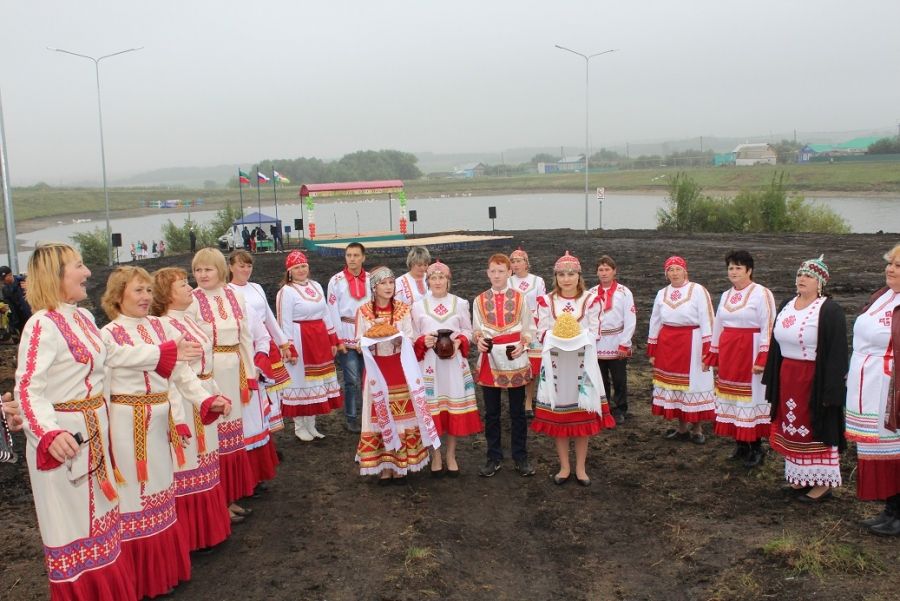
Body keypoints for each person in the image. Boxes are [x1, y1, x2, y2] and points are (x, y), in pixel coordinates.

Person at [13, 243, 137, 601]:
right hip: (66, 442)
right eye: (80, 266)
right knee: (74, 531)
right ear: (57, 275)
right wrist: (49, 433)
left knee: (102, 523)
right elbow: (27, 389)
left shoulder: (82, 317)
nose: (88, 273)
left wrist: (164, 350)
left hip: (95, 434)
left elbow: (112, 355)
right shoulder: (41, 325)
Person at [100, 266, 230, 599]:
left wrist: (206, 399)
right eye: (137, 291)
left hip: (158, 422)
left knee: (161, 491)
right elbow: (104, 385)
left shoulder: (159, 326)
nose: (145, 297)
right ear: (118, 296)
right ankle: (142, 581)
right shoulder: (108, 335)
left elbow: (182, 375)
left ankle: (165, 573)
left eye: (147, 290)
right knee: (134, 499)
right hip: (126, 425)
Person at [151, 267, 235, 548]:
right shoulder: (165, 325)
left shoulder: (187, 320)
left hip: (202, 391)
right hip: (187, 402)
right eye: (183, 285)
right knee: (190, 463)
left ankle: (214, 522)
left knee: (207, 459)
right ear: (166, 295)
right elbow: (172, 375)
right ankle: (196, 536)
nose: (190, 289)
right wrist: (177, 418)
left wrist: (215, 393)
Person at [762, 256, 847, 503]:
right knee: (792, 426)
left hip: (812, 379)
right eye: (799, 274)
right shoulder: (788, 303)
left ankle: (821, 485)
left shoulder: (829, 309)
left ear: (820, 282)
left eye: (808, 276)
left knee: (813, 427)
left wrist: (831, 390)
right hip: (787, 376)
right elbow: (775, 344)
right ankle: (800, 477)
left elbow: (837, 352)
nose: (801, 279)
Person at [189, 248, 257, 521]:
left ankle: (230, 496)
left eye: (208, 269)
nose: (202, 275)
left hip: (233, 369)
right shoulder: (192, 300)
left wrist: (249, 374)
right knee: (214, 440)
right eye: (198, 270)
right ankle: (219, 504)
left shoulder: (234, 295)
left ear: (221, 270)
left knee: (232, 441)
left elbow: (245, 337)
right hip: (208, 374)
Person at [532, 251, 612, 486]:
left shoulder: (591, 300)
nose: (566, 279)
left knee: (582, 416)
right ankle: (564, 466)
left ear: (579, 275)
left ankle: (581, 467)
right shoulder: (546, 301)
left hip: (581, 362)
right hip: (557, 363)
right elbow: (541, 331)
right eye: (561, 274)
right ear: (555, 277)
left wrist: (573, 335)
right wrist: (558, 335)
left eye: (571, 274)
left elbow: (596, 331)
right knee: (560, 418)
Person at [354, 266, 440, 483]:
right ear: (374, 287)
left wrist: (396, 338)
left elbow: (410, 338)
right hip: (376, 368)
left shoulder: (403, 309)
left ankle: (400, 464)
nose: (388, 287)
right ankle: (385, 465)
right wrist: (368, 340)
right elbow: (357, 341)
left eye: (391, 283)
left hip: (399, 367)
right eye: (383, 283)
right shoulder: (363, 311)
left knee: (401, 414)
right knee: (379, 414)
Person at [846, 243, 900, 534]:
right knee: (877, 446)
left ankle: (899, 512)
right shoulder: (882, 297)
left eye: (898, 266)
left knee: (894, 447)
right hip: (868, 383)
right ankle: (890, 508)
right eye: (889, 264)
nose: (890, 269)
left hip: (891, 386)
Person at [704, 250, 776, 468]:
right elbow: (718, 324)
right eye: (730, 268)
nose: (733, 272)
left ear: (749, 271)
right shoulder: (726, 295)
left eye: (738, 268)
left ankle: (756, 447)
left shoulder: (761, 293)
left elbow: (768, 325)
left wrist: (764, 356)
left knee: (750, 398)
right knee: (731, 397)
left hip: (750, 349)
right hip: (729, 350)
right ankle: (740, 444)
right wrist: (713, 353)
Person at [411, 261, 482, 476]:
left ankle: (451, 454)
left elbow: (469, 330)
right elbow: (413, 336)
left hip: (453, 364)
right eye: (433, 278)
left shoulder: (460, 303)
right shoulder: (417, 306)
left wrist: (460, 341)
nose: (438, 281)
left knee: (452, 409)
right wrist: (424, 340)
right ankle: (436, 454)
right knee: (433, 410)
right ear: (427, 281)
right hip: (430, 366)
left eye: (442, 277)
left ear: (448, 280)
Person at [473, 253, 537, 478]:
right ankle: (493, 457)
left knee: (518, 411)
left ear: (510, 273)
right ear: (487, 273)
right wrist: (479, 340)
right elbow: (477, 328)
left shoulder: (520, 299)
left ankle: (520, 457)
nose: (497, 275)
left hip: (514, 358)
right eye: (493, 271)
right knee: (491, 412)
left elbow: (529, 327)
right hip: (490, 358)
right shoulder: (479, 300)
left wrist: (524, 344)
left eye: (502, 271)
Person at [227, 250, 287, 487]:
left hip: (264, 348)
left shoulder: (257, 288)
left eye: (249, 266)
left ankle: (268, 447)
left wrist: (283, 342)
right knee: (256, 407)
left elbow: (269, 318)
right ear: (230, 267)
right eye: (241, 266)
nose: (245, 270)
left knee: (273, 400)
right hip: (245, 351)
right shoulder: (228, 292)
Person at [647, 256, 716, 443]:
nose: (674, 273)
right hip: (668, 344)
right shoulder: (662, 293)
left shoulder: (698, 290)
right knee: (675, 387)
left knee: (694, 385)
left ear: (685, 271)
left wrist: (707, 350)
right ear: (666, 273)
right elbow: (655, 321)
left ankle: (697, 429)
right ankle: (682, 428)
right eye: (670, 270)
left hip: (692, 343)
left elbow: (707, 320)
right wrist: (652, 350)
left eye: (678, 269)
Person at [277, 250, 343, 441]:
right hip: (300, 338)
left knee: (316, 382)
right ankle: (299, 426)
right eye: (296, 267)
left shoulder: (315, 286)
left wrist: (332, 340)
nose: (301, 270)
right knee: (301, 381)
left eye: (303, 266)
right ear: (289, 270)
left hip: (319, 338)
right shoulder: (286, 291)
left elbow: (326, 313)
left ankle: (311, 425)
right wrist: (289, 347)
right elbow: (284, 322)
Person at [326, 242, 370, 432]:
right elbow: (331, 310)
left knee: (370, 379)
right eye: (349, 255)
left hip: (368, 335)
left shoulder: (371, 279)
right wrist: (337, 339)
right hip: (346, 332)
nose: (352, 259)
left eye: (355, 255)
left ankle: (370, 416)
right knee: (351, 380)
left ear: (363, 257)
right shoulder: (335, 281)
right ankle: (351, 417)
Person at [589, 255, 636, 424]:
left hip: (617, 340)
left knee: (619, 378)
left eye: (607, 269)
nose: (604, 273)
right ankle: (604, 407)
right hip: (598, 341)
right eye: (600, 270)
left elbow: (630, 319)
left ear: (614, 271)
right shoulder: (591, 293)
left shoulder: (624, 292)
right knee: (600, 378)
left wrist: (625, 343)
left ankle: (620, 408)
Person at [509, 247, 546, 419]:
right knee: (516, 364)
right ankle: (517, 399)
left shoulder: (538, 281)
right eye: (513, 261)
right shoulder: (508, 282)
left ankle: (529, 401)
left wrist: (535, 325)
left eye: (518, 261)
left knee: (532, 365)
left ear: (526, 262)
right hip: (514, 326)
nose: (515, 264)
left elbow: (541, 304)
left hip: (533, 326)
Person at [1, 265, 32, 339]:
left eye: (4, 278)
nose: (3, 281)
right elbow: (9, 306)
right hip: (19, 319)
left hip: (30, 314)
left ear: (10, 274)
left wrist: (30, 288)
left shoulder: (23, 281)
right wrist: (13, 322)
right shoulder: (5, 289)